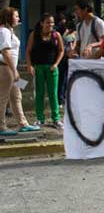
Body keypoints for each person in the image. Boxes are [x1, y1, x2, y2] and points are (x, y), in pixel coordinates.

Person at [0, 7, 40, 136]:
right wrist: (14, 70)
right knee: (3, 98)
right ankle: (1, 126)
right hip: (6, 69)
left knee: (16, 96)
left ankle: (23, 124)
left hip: (10, 69)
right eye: (16, 16)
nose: (18, 18)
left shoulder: (9, 31)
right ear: (9, 17)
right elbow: (5, 52)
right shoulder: (4, 31)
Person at [25, 13, 64, 129]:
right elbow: (28, 51)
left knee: (53, 94)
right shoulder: (34, 34)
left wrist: (56, 64)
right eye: (48, 22)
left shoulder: (56, 35)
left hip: (52, 68)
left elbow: (61, 51)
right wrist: (29, 65)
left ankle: (56, 119)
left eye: (52, 22)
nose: (50, 24)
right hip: (38, 68)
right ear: (42, 23)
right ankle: (40, 118)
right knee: (39, 94)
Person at [58, 19, 77, 107]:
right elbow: (71, 48)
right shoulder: (71, 36)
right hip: (68, 58)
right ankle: (62, 98)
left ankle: (61, 98)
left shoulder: (65, 35)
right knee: (65, 79)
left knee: (63, 79)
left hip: (64, 58)